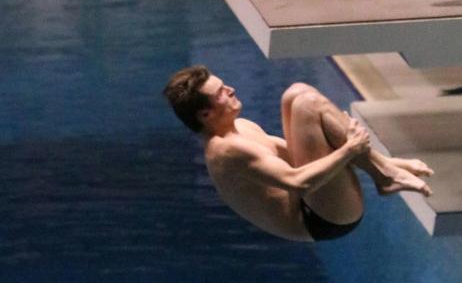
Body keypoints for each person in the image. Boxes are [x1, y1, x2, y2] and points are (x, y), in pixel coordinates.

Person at [163, 66, 433, 242]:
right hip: (318, 219)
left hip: (312, 199)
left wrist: (368, 155)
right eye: (221, 92)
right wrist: (351, 148)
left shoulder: (240, 127)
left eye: (224, 85)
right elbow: (298, 181)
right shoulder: (226, 150)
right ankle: (384, 175)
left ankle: (384, 169)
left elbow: (299, 154)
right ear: (206, 115)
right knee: (308, 104)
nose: (230, 89)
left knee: (296, 93)